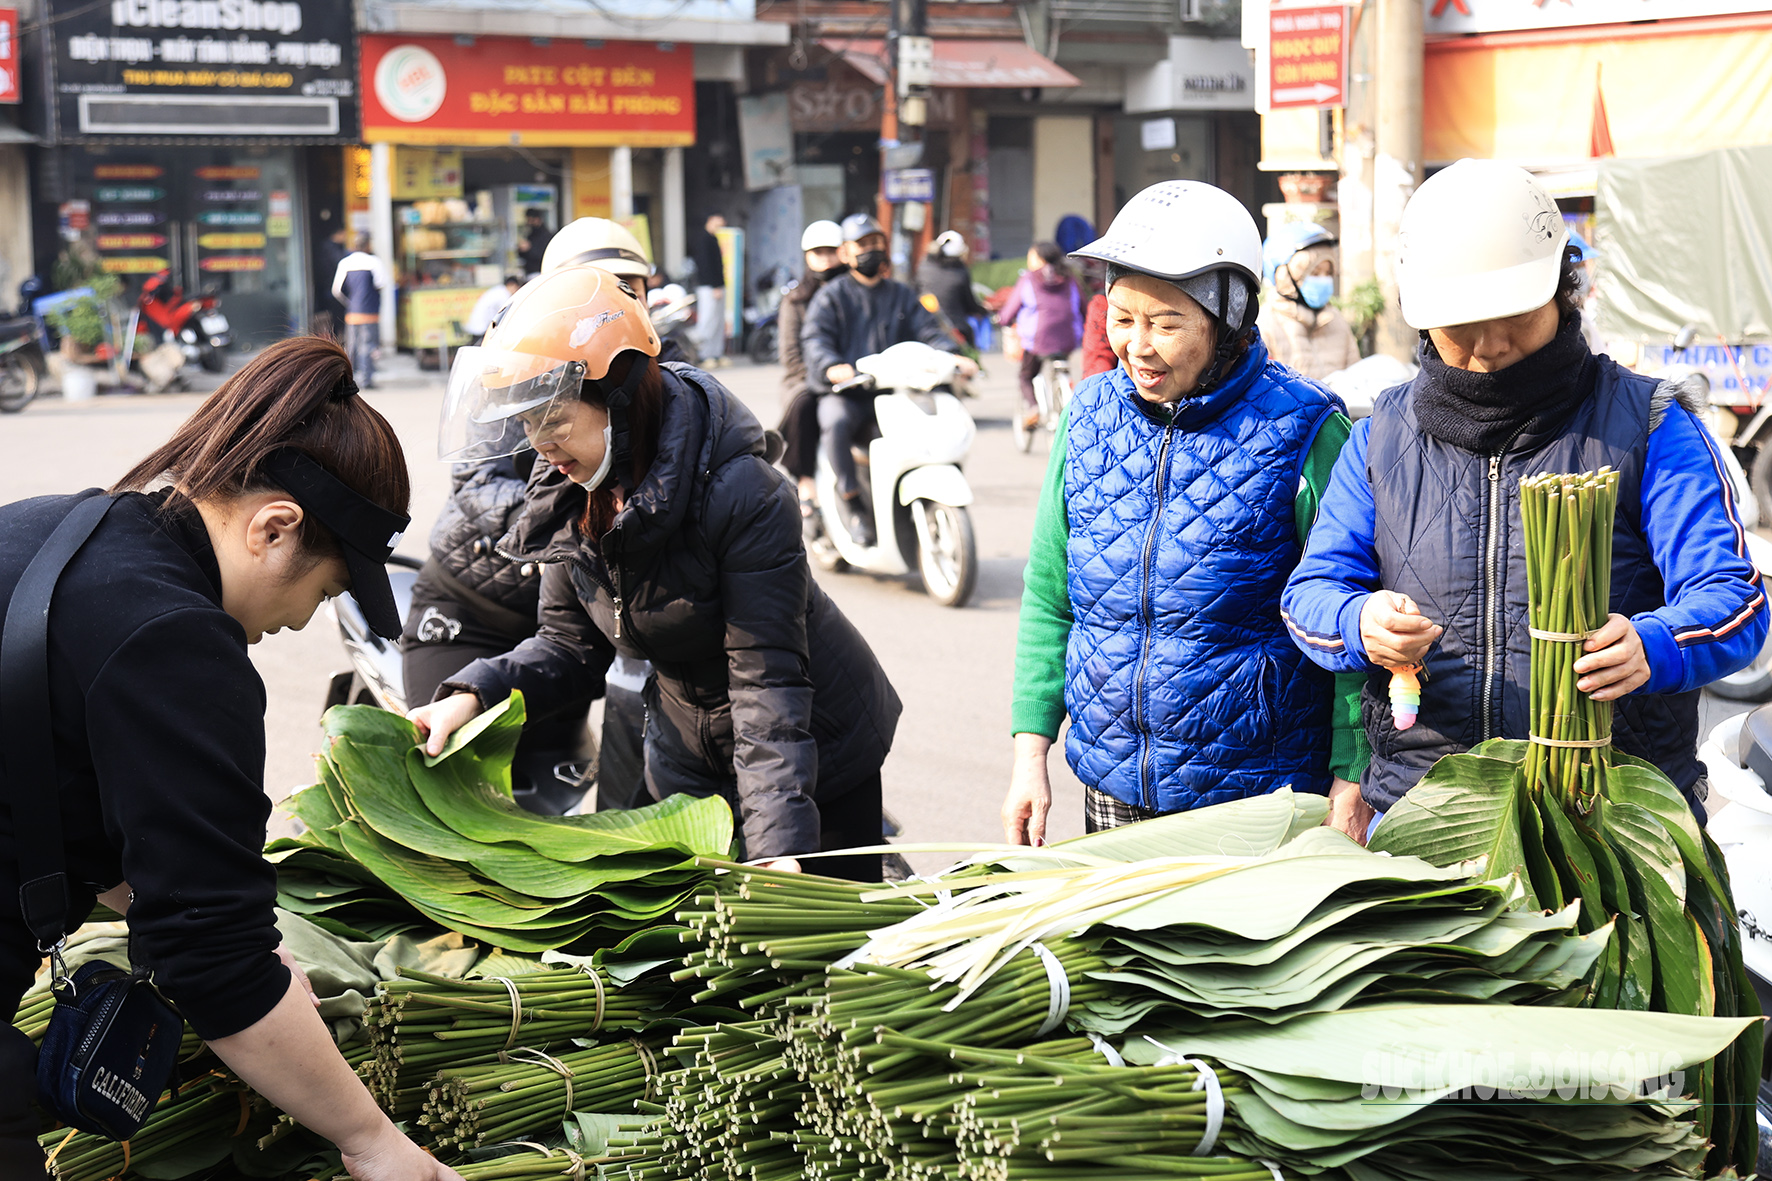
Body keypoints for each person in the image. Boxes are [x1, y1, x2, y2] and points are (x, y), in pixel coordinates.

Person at [0, 337, 459, 1181]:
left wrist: (214, 922)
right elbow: (213, 965)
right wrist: (376, 1142)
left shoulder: (56, 526)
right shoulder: (178, 643)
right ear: (274, 527)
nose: (297, 621)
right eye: (323, 590)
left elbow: (51, 774)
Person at [1281, 160, 1768, 842]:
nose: (1489, 347)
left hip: (1609, 820)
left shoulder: (1651, 424)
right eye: (1460, 325)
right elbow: (1308, 596)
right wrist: (1358, 619)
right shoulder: (1380, 439)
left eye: (1514, 316)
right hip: (1428, 820)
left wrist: (1654, 645)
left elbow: (1737, 603)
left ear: (1562, 293)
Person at [412, 265, 902, 880]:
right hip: (686, 756)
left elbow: (766, 683)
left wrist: (779, 845)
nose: (540, 445)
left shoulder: (744, 493)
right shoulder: (570, 491)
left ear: (618, 393)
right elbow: (567, 646)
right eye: (528, 425)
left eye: (554, 420)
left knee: (814, 954)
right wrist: (472, 695)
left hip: (810, 755)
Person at [1001, 181, 1367, 845]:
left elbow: (1347, 618)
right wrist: (1031, 753)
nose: (1137, 345)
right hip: (1111, 785)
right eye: (1122, 318)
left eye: (1166, 324)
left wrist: (1352, 775)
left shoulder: (1309, 428)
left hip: (1257, 797)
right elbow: (1051, 595)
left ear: (1228, 317)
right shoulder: (1087, 417)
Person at [405, 220, 662, 816]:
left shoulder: (656, 367)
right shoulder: (506, 360)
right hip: (475, 608)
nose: (614, 301)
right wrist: (578, 527)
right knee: (446, 790)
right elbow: (477, 482)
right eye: (596, 283)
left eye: (631, 286)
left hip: (580, 621)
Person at [801, 213, 975, 547]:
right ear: (847, 253)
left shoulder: (900, 294)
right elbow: (815, 340)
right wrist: (833, 365)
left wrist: (951, 355)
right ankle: (852, 503)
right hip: (849, 393)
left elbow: (928, 331)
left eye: (876, 243)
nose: (871, 250)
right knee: (834, 422)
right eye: (862, 245)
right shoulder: (831, 296)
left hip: (897, 392)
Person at [778, 220, 847, 535]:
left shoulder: (855, 291)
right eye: (819, 252)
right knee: (804, 405)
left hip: (854, 376)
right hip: (806, 379)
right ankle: (806, 484)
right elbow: (791, 356)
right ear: (807, 255)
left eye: (831, 252)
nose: (826, 259)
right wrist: (824, 376)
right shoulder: (795, 299)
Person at [1256, 222, 1360, 381]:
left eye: (1328, 273)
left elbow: (1357, 379)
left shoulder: (1336, 320)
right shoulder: (1265, 326)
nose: (1324, 280)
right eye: (1315, 273)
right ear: (1286, 276)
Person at [998, 242, 1084, 431]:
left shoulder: (1029, 279)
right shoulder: (1070, 278)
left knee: (1026, 376)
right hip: (1068, 338)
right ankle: (1066, 398)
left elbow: (1010, 309)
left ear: (1040, 259)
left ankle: (1033, 408)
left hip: (1038, 340)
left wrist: (1002, 320)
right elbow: (1083, 307)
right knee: (1061, 365)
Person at [330, 232, 390, 389]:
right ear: (368, 245)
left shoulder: (345, 263)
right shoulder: (374, 262)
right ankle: (366, 379)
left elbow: (336, 290)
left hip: (352, 312)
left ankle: (350, 379)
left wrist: (349, 303)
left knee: (352, 346)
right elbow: (381, 283)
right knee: (368, 345)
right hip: (370, 311)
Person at [918, 230, 986, 347]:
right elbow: (969, 304)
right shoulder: (960, 271)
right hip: (957, 329)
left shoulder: (923, 266)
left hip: (926, 327)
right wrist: (983, 310)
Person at [690, 213, 728, 365]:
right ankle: (704, 354)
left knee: (718, 321)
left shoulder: (713, 238)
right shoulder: (703, 239)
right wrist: (714, 286)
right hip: (709, 287)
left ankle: (716, 353)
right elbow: (705, 266)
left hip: (717, 286)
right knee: (708, 320)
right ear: (711, 219)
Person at [464, 274, 523, 344]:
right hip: (482, 328)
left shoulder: (498, 290)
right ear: (511, 285)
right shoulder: (503, 295)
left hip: (477, 325)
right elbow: (508, 314)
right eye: (517, 287)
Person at [517, 208, 555, 277]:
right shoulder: (530, 234)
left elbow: (544, 254)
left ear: (538, 219)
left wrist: (530, 248)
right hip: (529, 272)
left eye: (531, 220)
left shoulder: (546, 235)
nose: (529, 223)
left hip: (540, 272)